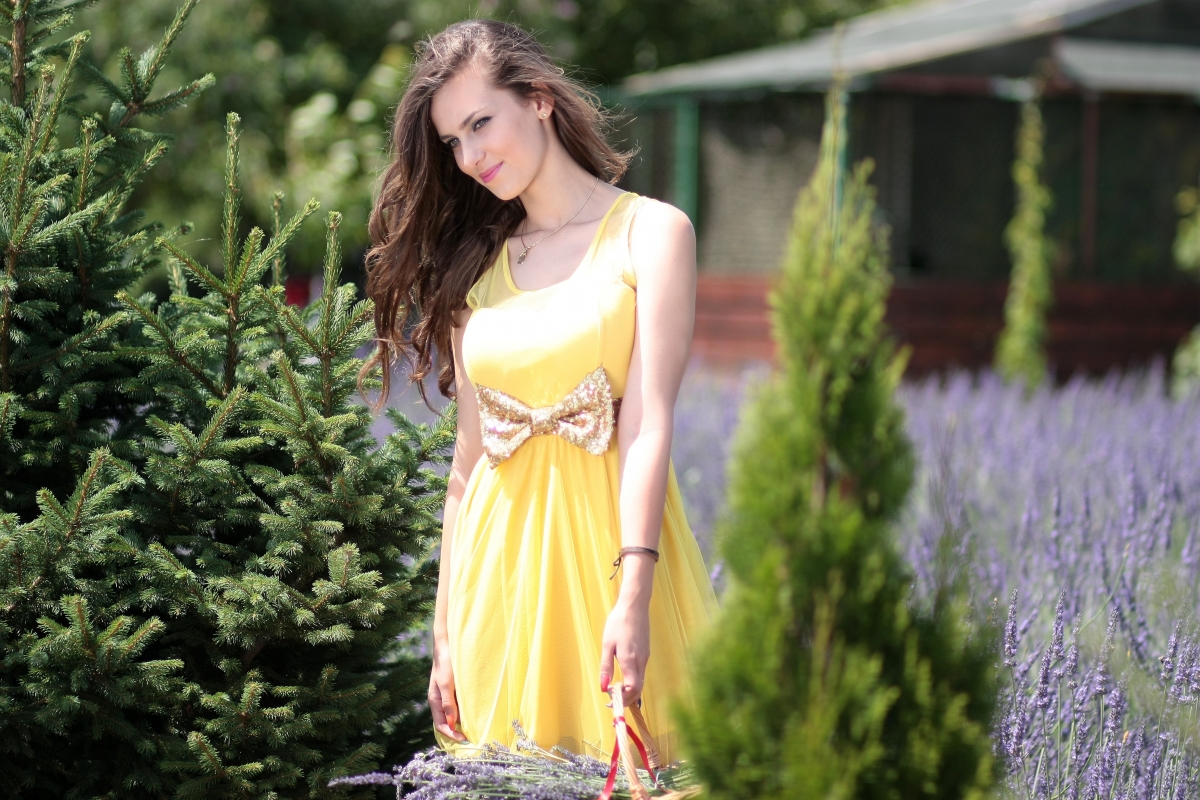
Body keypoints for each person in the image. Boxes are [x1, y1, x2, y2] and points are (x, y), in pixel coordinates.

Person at [363, 18, 719, 765]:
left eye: (481, 123)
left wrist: (634, 593)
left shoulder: (651, 234)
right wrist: (444, 631)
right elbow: (465, 469)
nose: (470, 156)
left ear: (540, 99)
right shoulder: (476, 268)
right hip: (501, 584)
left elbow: (649, 422)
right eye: (453, 142)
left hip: (610, 562)